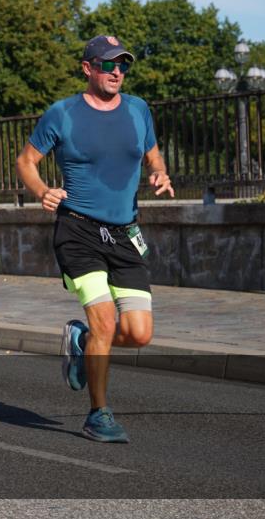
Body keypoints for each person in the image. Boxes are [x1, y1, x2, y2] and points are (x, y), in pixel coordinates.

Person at [16, 35, 174, 443]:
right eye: (107, 65)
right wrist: (41, 191)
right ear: (88, 68)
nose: (116, 72)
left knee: (139, 333)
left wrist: (159, 171)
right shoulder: (62, 114)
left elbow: (152, 152)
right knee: (105, 320)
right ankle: (98, 414)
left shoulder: (138, 109)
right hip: (78, 230)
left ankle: (82, 341)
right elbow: (26, 160)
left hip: (125, 233)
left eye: (122, 65)